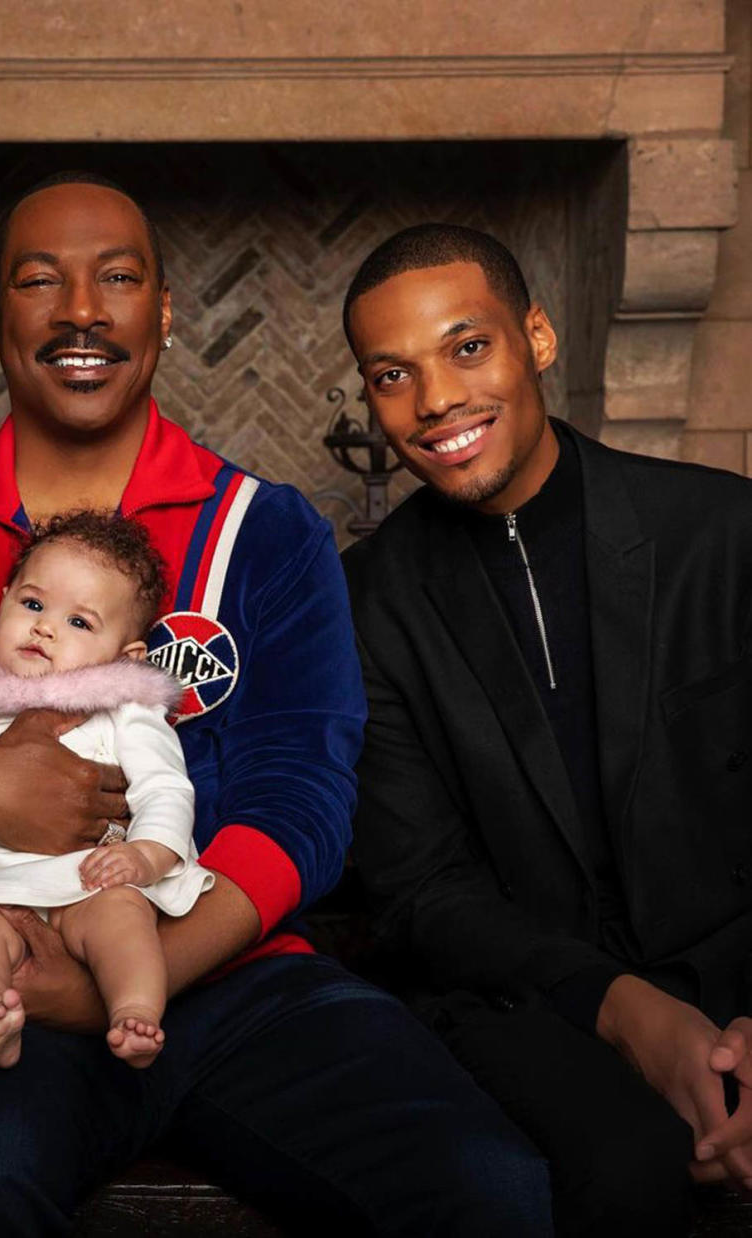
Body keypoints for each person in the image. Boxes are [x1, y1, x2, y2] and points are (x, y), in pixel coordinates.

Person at [0, 172, 552, 1236]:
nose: (83, 309)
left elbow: (303, 804)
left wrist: (138, 975)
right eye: (42, 282)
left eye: (119, 278)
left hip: (235, 969)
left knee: (491, 1185)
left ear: (165, 314)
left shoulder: (266, 530)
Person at [341, 221, 752, 1236]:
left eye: (467, 347)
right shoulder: (364, 602)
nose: (434, 400)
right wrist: (626, 1010)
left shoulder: (726, 534)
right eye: (392, 374)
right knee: (629, 1169)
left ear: (537, 338)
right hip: (527, 1003)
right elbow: (419, 890)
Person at [0, 510, 210, 1069]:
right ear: (3, 601)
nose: (45, 627)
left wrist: (145, 855)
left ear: (126, 657)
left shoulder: (126, 708)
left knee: (124, 918)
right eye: (32, 605)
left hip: (90, 876)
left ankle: (134, 1010)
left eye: (80, 623)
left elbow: (166, 787)